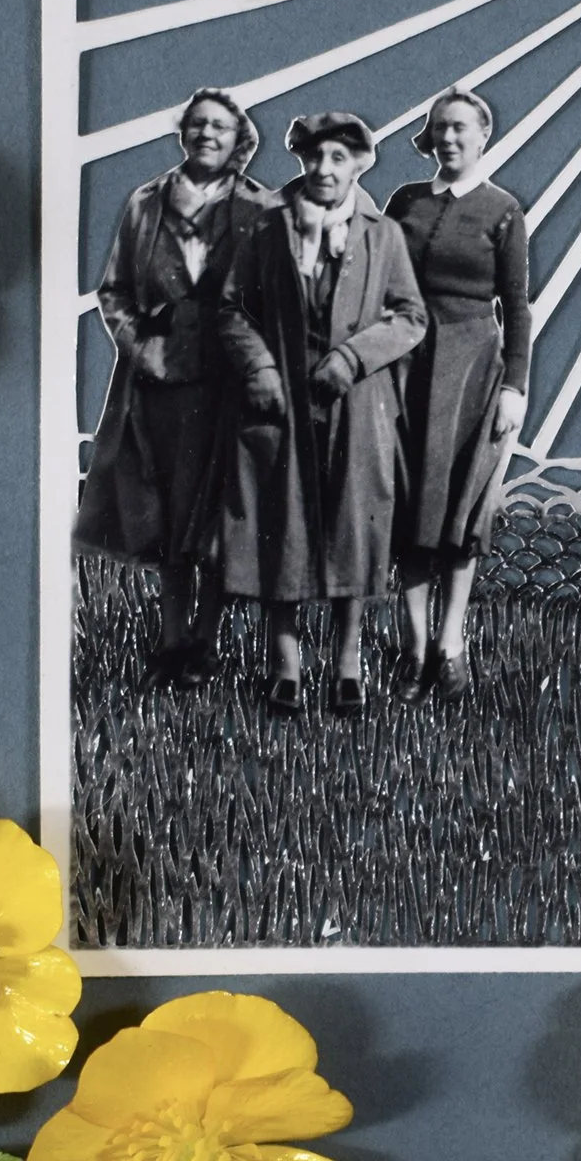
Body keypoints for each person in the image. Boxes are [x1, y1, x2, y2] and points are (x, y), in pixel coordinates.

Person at [216, 112, 427, 713]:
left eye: (338, 158)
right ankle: (286, 664)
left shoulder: (382, 234)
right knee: (280, 521)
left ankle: (347, 663)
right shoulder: (269, 227)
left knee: (352, 525)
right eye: (314, 157)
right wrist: (259, 368)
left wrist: (353, 359)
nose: (324, 169)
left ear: (359, 164)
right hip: (280, 400)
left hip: (354, 403)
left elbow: (411, 316)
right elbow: (231, 309)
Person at [73, 87, 277, 686]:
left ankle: (205, 642)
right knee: (164, 506)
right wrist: (143, 348)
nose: (206, 134)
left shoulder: (260, 208)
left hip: (227, 378)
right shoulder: (146, 202)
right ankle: (170, 639)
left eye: (219, 126)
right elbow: (114, 291)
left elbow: (274, 298)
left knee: (216, 509)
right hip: (159, 378)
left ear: (239, 140)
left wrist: (257, 365)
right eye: (197, 124)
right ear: (183, 133)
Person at [385, 88, 531, 701]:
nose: (449, 138)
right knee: (410, 505)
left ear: (482, 135)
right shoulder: (405, 202)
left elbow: (516, 308)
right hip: (405, 367)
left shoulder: (503, 211)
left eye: (460, 128)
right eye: (440, 128)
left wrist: (515, 386)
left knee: (462, 510)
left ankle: (451, 645)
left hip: (473, 370)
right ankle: (415, 649)